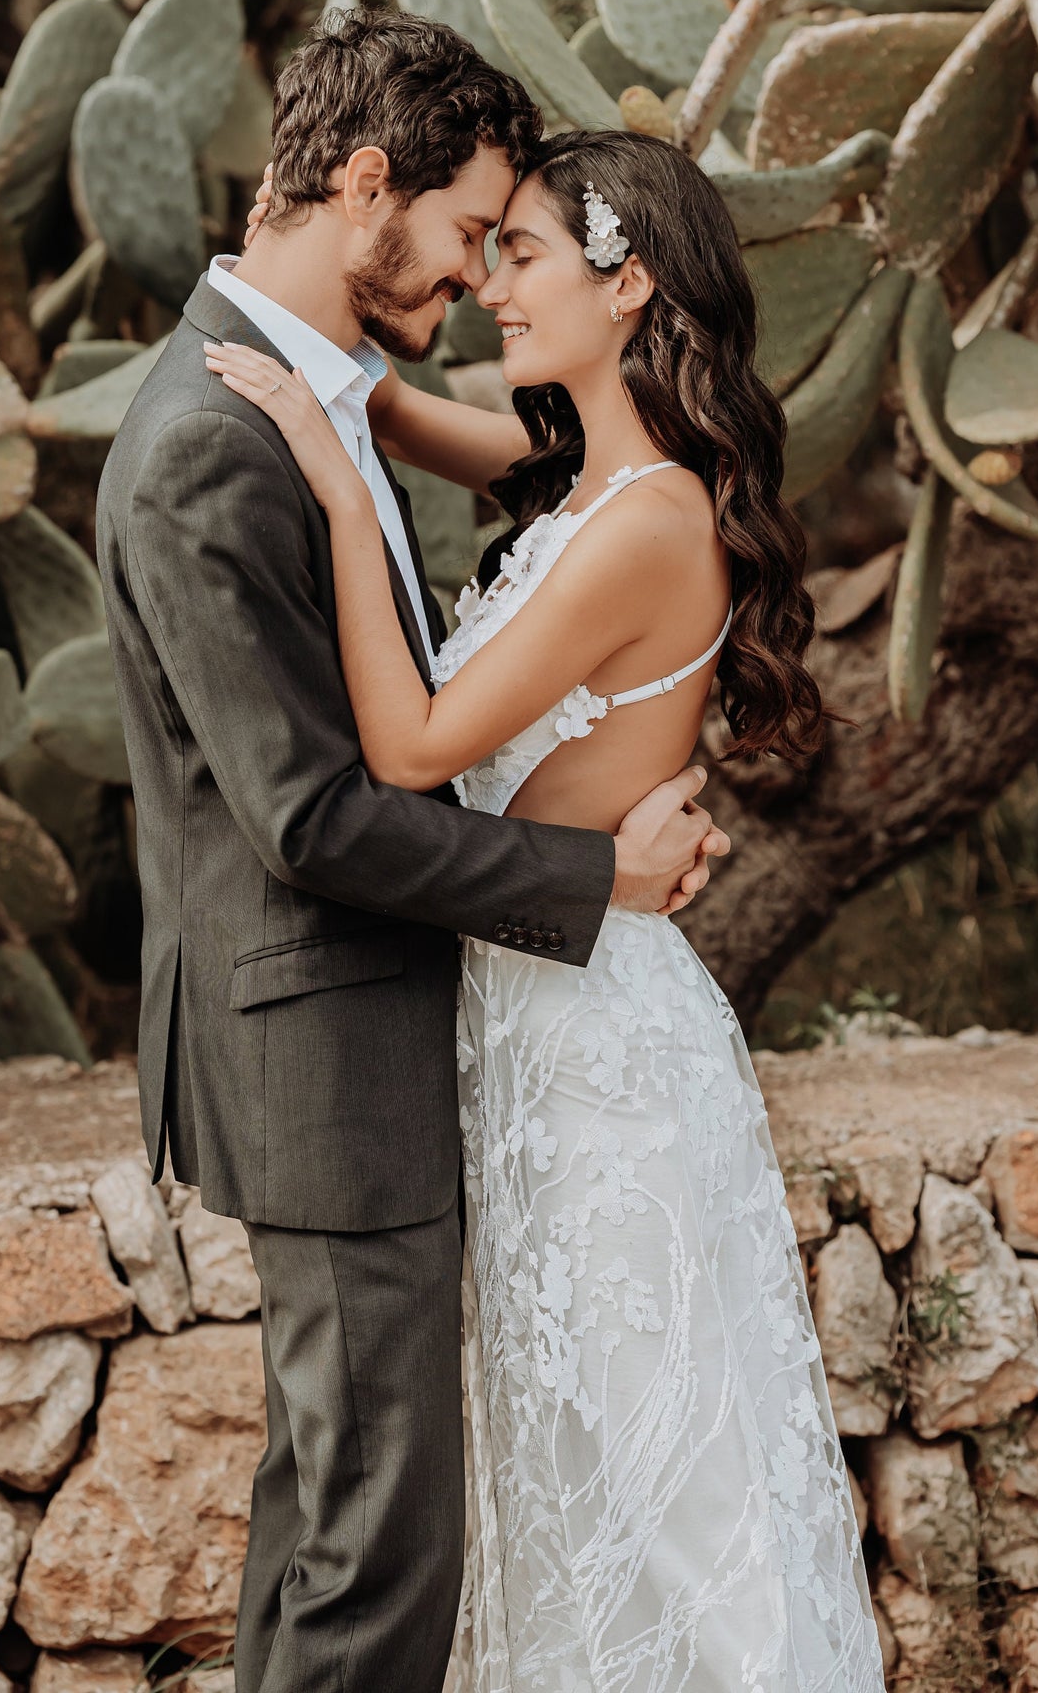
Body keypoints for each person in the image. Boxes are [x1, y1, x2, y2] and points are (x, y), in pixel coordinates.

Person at [94, 9, 728, 1693]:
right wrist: (596, 882)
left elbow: (542, 451)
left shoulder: (306, 397)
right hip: (323, 1059)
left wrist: (365, 403)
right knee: (379, 1550)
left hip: (374, 1048)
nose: (470, 280)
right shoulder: (209, 450)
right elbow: (309, 814)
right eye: (464, 236)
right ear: (363, 184)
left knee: (335, 1526)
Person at [211, 123, 885, 1690]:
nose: (486, 285)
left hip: (595, 1054)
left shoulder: (643, 521)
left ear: (627, 278)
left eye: (517, 253)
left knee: (670, 1488)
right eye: (485, 248)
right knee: (568, 1486)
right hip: (530, 1018)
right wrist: (286, 310)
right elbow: (400, 404)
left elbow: (410, 748)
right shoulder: (576, 482)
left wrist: (323, 480)